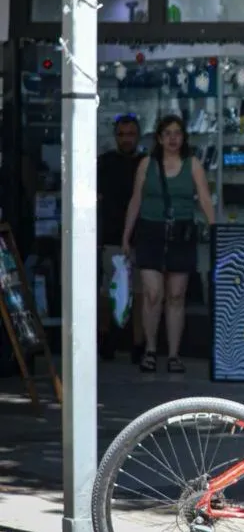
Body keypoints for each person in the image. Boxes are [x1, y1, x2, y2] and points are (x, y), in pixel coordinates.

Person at [120, 115, 216, 374]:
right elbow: (135, 201)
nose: (173, 138)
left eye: (178, 133)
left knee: (176, 295)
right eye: (168, 133)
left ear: (183, 137)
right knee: (152, 294)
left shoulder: (193, 164)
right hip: (150, 231)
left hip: (181, 233)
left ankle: (174, 354)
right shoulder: (146, 165)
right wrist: (126, 236)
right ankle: (151, 349)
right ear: (160, 138)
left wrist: (217, 230)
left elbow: (205, 200)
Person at [98, 114, 142, 361]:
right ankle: (106, 340)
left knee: (139, 292)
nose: (126, 139)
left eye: (130, 134)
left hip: (141, 236)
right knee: (108, 292)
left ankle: (138, 344)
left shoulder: (146, 163)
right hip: (112, 236)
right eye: (121, 134)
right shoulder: (105, 163)